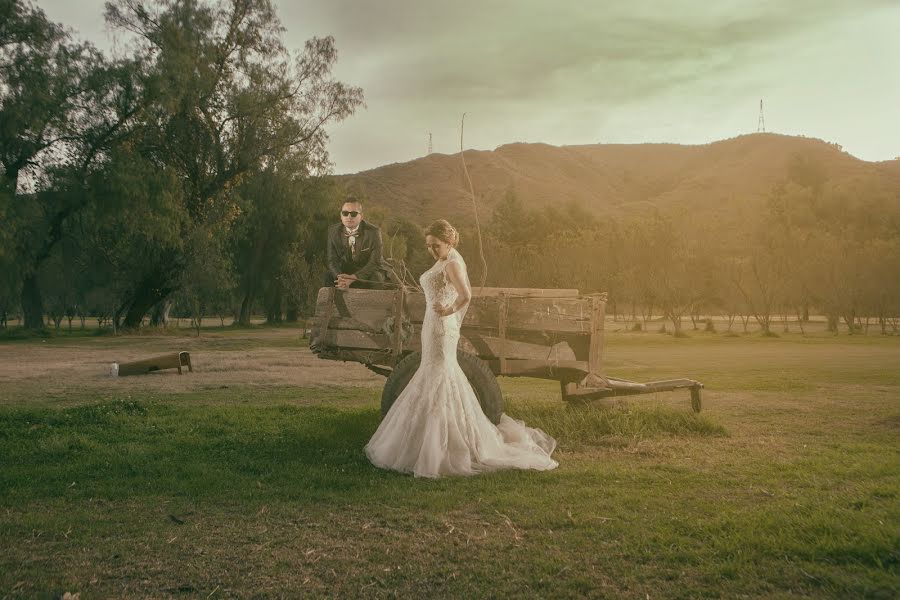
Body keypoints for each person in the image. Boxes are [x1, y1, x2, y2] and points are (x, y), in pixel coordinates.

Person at [365, 219, 558, 478]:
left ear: (448, 243)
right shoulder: (443, 261)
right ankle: (426, 439)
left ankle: (444, 446)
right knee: (433, 375)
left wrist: (448, 310)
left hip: (442, 327)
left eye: (436, 246)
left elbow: (466, 295)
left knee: (439, 377)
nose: (432, 250)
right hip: (432, 326)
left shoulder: (453, 262)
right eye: (429, 246)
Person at [323, 197, 386, 289]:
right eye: (345, 213)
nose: (349, 217)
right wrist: (340, 277)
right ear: (341, 216)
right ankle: (331, 303)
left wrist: (354, 277)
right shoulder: (333, 231)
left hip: (367, 271)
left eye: (353, 214)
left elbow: (375, 262)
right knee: (328, 276)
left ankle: (375, 303)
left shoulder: (373, 232)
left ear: (361, 216)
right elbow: (332, 260)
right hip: (346, 270)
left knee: (376, 278)